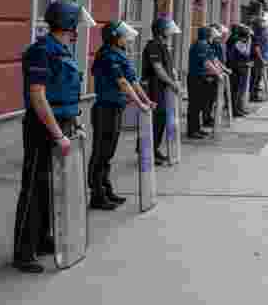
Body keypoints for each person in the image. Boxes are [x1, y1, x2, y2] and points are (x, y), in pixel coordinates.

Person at [14, 1, 95, 272]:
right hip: (43, 127)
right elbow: (38, 97)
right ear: (68, 24)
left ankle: (42, 238)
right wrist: (58, 133)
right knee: (35, 187)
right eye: (75, 26)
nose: (77, 31)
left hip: (62, 122)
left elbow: (66, 91)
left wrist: (75, 122)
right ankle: (24, 251)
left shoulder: (62, 50)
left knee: (51, 185)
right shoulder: (42, 51)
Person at [90, 21, 153, 211]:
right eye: (124, 36)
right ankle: (97, 195)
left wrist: (146, 100)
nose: (127, 40)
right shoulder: (108, 56)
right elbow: (123, 83)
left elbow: (133, 80)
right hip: (105, 109)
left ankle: (106, 190)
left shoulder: (119, 54)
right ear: (115, 38)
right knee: (101, 153)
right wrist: (139, 103)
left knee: (108, 153)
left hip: (115, 108)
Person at [142, 16, 183, 165]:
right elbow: (158, 69)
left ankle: (153, 149)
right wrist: (173, 84)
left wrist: (174, 79)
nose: (170, 33)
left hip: (162, 88)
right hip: (154, 88)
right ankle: (149, 151)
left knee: (160, 119)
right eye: (168, 30)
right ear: (161, 31)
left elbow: (167, 67)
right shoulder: (153, 46)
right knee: (156, 119)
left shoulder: (163, 45)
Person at [187, 26, 221, 139]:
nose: (212, 37)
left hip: (200, 78)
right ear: (207, 36)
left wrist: (218, 71)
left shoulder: (203, 45)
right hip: (196, 78)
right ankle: (193, 131)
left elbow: (212, 60)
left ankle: (196, 129)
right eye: (211, 35)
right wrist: (218, 73)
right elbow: (206, 62)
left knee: (198, 105)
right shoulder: (201, 45)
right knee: (195, 106)